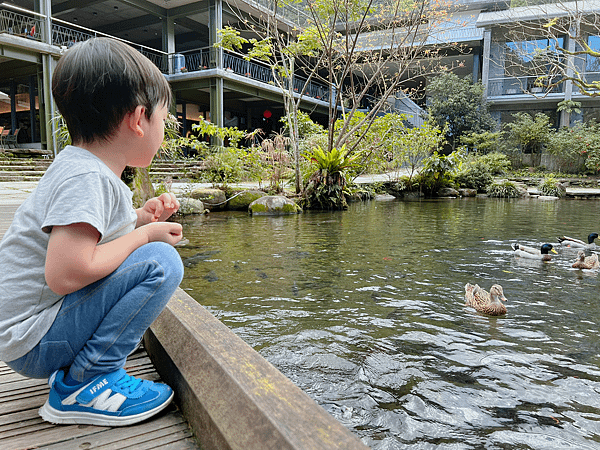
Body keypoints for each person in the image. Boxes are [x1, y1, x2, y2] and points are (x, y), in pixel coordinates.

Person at [0, 37, 184, 427]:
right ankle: (88, 381)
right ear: (138, 120)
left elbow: (93, 237)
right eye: (163, 120)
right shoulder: (87, 178)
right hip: (32, 340)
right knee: (161, 262)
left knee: (149, 251)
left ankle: (83, 371)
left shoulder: (84, 168)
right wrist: (144, 237)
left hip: (30, 332)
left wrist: (137, 219)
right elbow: (66, 273)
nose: (163, 132)